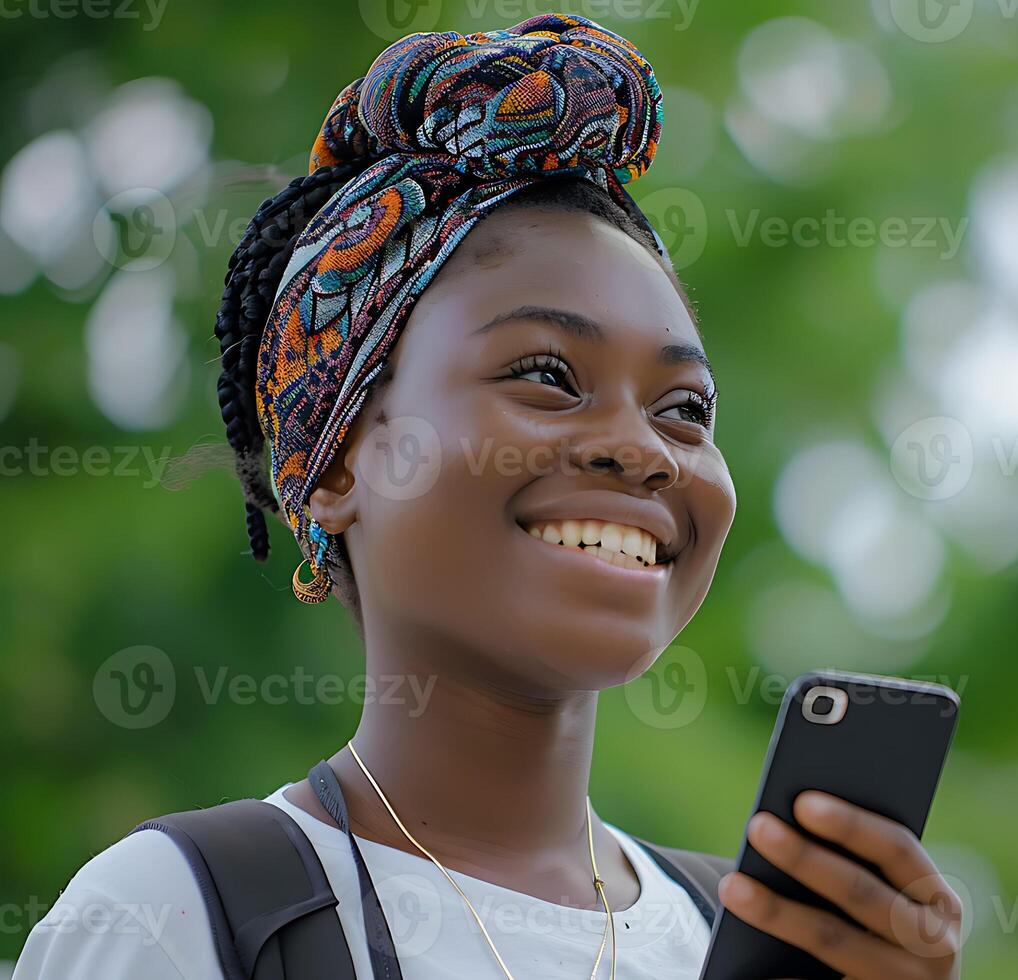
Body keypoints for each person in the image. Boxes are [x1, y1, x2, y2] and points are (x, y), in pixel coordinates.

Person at [15, 14, 961, 979]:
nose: (643, 450)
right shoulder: (181, 917)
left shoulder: (747, 939)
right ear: (341, 463)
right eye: (548, 374)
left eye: (684, 408)